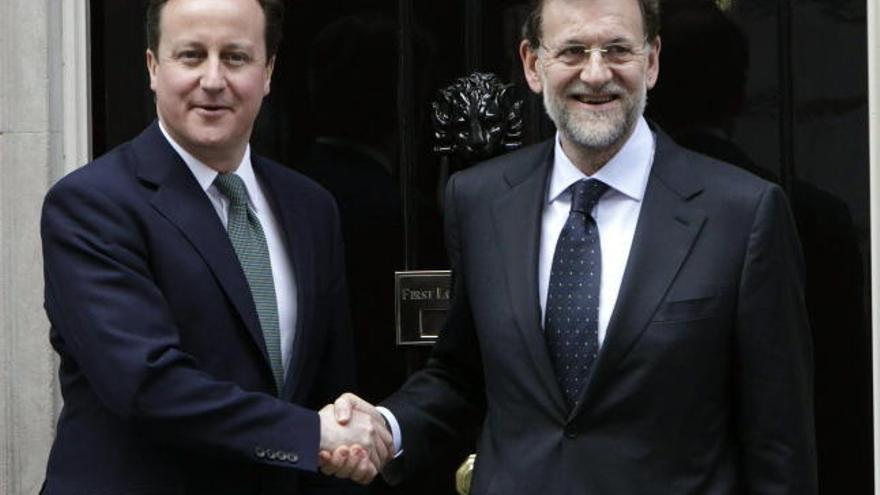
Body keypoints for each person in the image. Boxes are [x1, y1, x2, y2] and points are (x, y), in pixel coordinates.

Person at [320, 0, 818, 492]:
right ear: (533, 65)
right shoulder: (479, 200)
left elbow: (778, 442)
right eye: (573, 51)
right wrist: (387, 426)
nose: (597, 73)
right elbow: (463, 374)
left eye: (618, 50)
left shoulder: (742, 213)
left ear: (653, 61)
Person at [39, 0, 390, 493]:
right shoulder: (91, 205)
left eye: (235, 57)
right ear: (152, 68)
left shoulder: (311, 208)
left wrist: (346, 436)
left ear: (268, 72)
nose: (212, 79)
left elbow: (328, 384)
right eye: (190, 55)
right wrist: (310, 435)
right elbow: (146, 385)